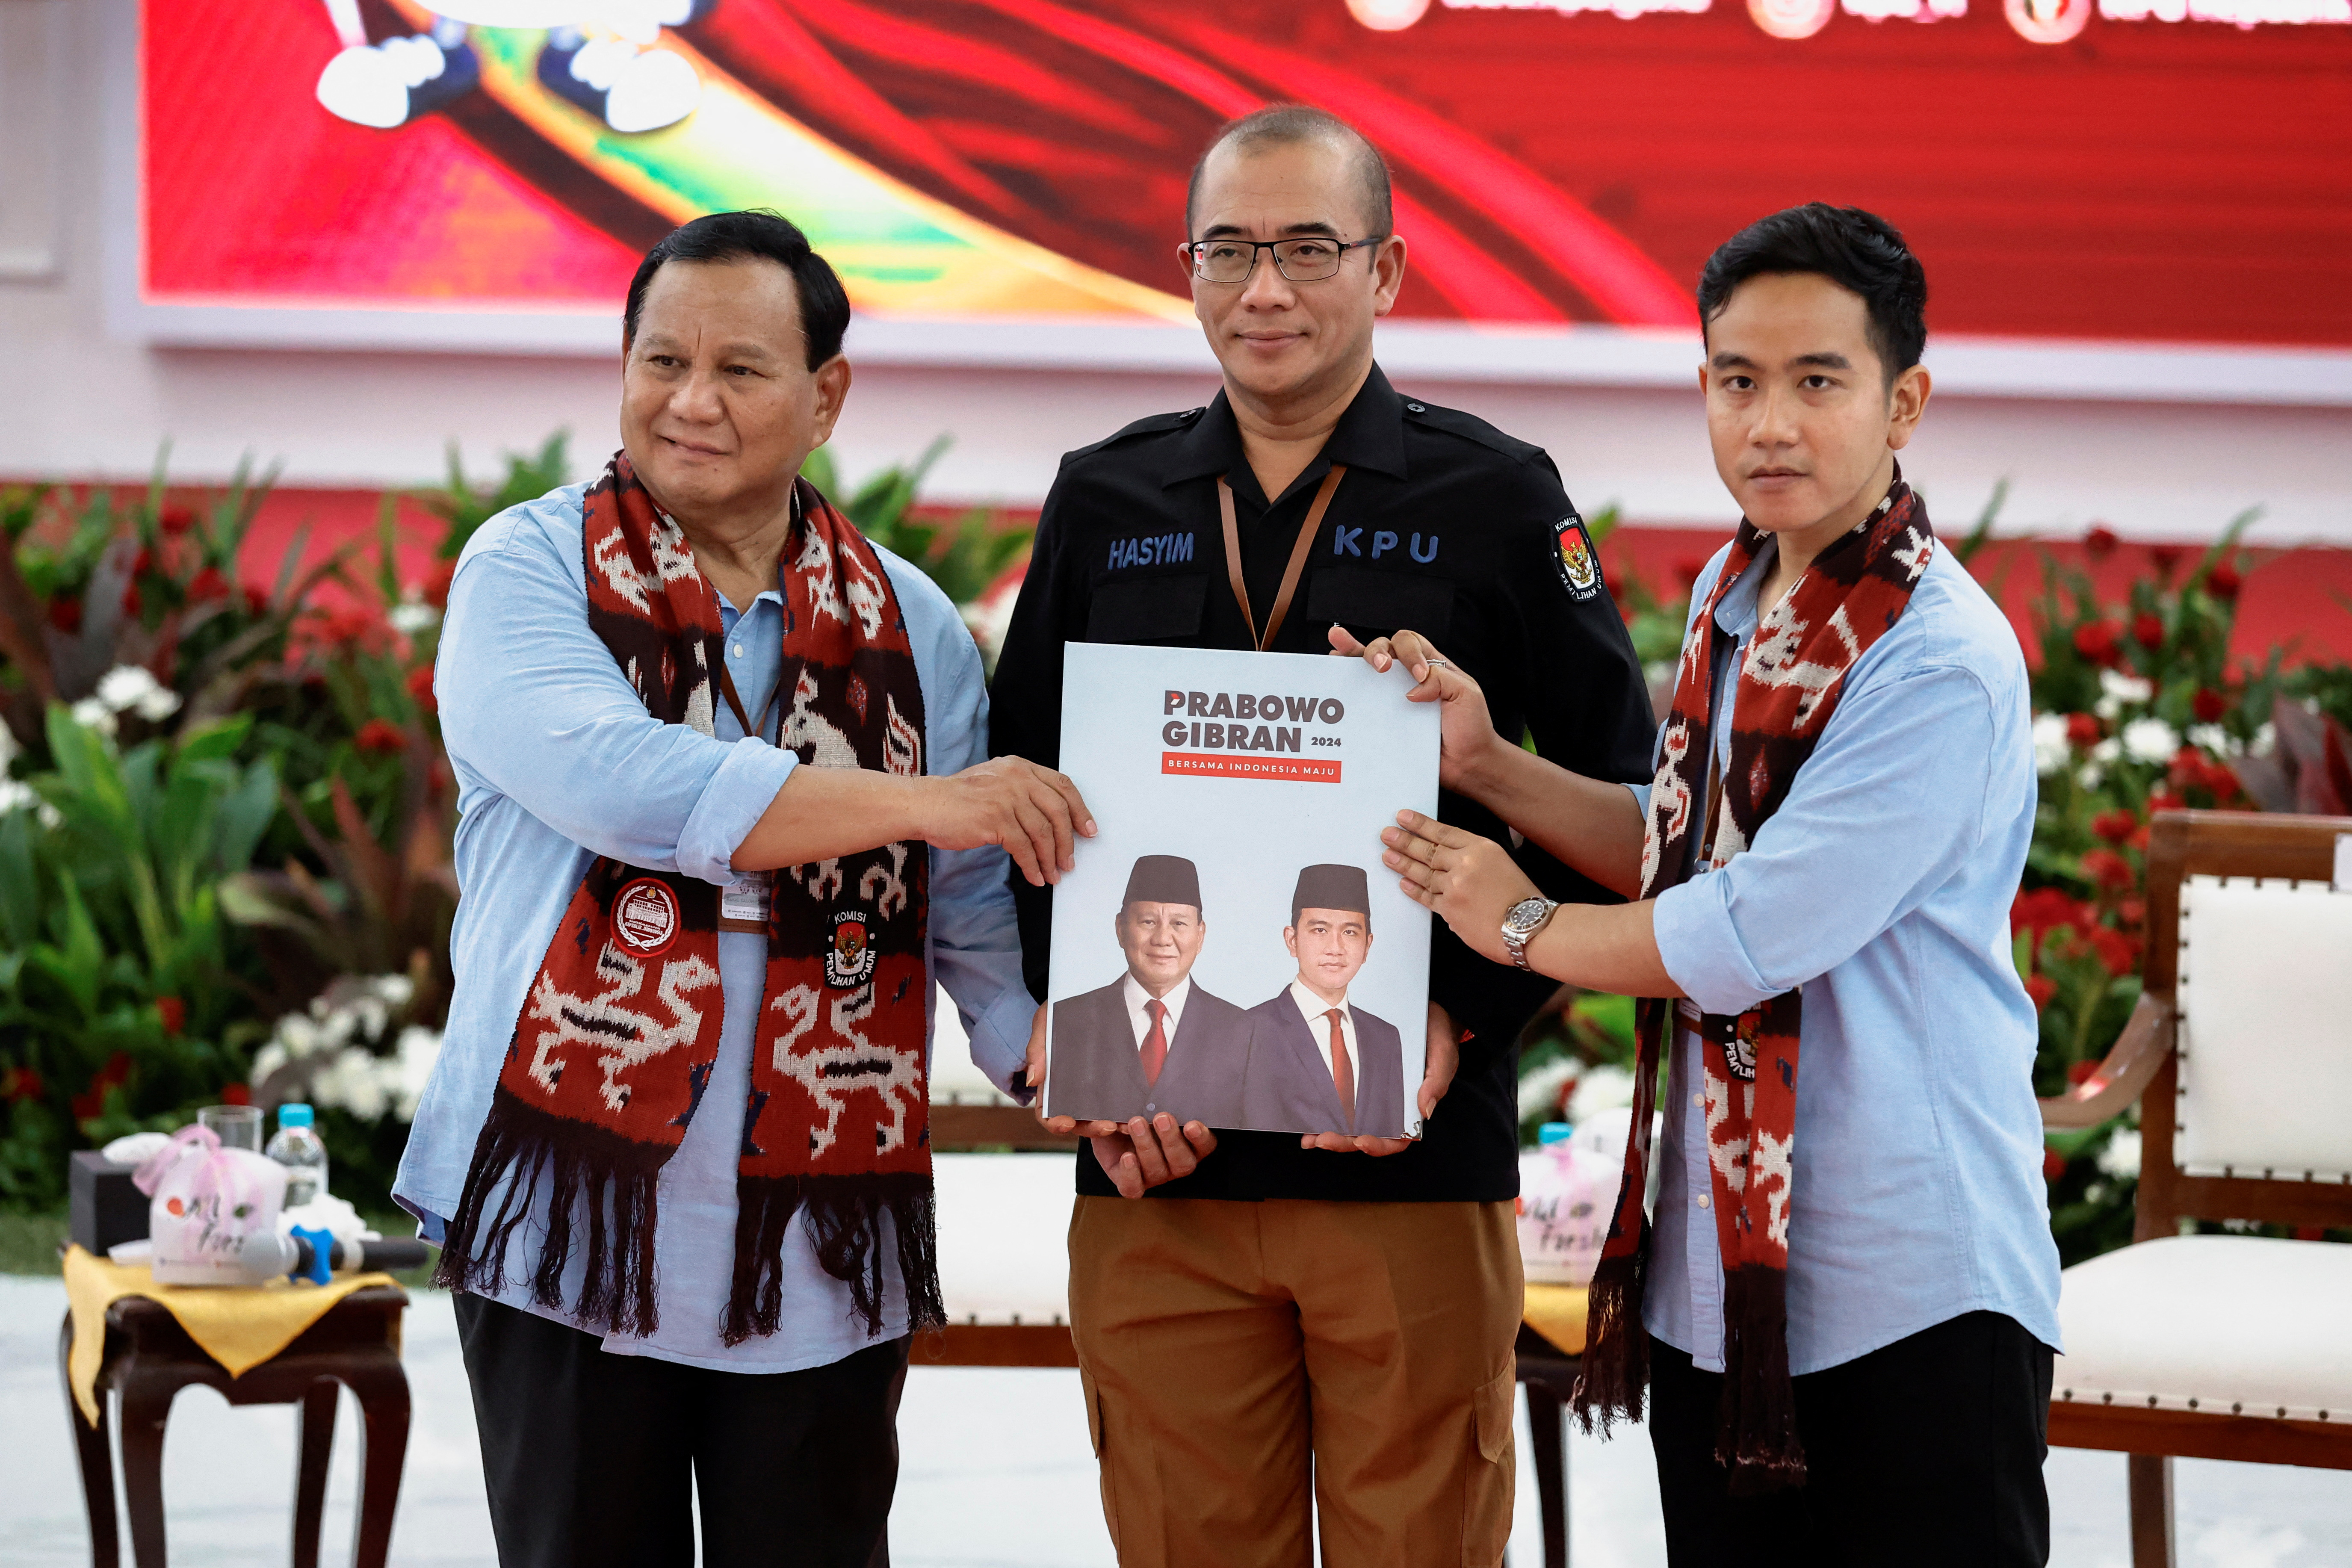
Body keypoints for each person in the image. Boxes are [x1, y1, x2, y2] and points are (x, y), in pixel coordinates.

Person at [988, 106, 1655, 1567]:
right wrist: (1087, 1044)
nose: (1264, 290)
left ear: (1390, 270)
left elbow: (1619, 796)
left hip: (1406, 1153)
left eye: (1306, 248)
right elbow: (1018, 793)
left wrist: (1458, 1015)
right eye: (1228, 250)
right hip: (1158, 1166)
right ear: (1187, 269)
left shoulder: (1495, 495)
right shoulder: (1109, 496)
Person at [1356, 203, 2062, 1565]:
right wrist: (1492, 764)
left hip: (1907, 1285)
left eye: (1818, 381)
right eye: (1739, 382)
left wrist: (1515, 921)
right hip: (1725, 1285)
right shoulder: (1746, 604)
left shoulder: (1937, 659)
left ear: (1904, 399)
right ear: (1703, 391)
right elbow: (1684, 851)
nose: (1772, 424)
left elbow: (1747, 931)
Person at [392, 209, 1097, 1568]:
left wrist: (1065, 1059)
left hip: (815, 1242)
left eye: (740, 369)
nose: (690, 402)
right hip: (567, 1220)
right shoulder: (528, 568)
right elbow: (627, 784)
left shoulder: (911, 624)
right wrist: (924, 800)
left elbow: (965, 917)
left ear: (825, 395)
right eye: (661, 361)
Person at [1047, 853, 1251, 1127]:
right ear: (1121, 929)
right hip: (1103, 1169)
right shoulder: (1067, 1019)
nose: (1163, 939)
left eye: (1179, 924)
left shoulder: (1244, 1029)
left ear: (1200, 935)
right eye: (1148, 922)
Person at [1239, 863, 1406, 1138]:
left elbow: (1391, 1136)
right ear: (1292, 940)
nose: (1335, 948)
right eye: (1320, 930)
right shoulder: (1249, 1028)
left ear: (1368, 946)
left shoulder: (1385, 1037)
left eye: (1350, 932)